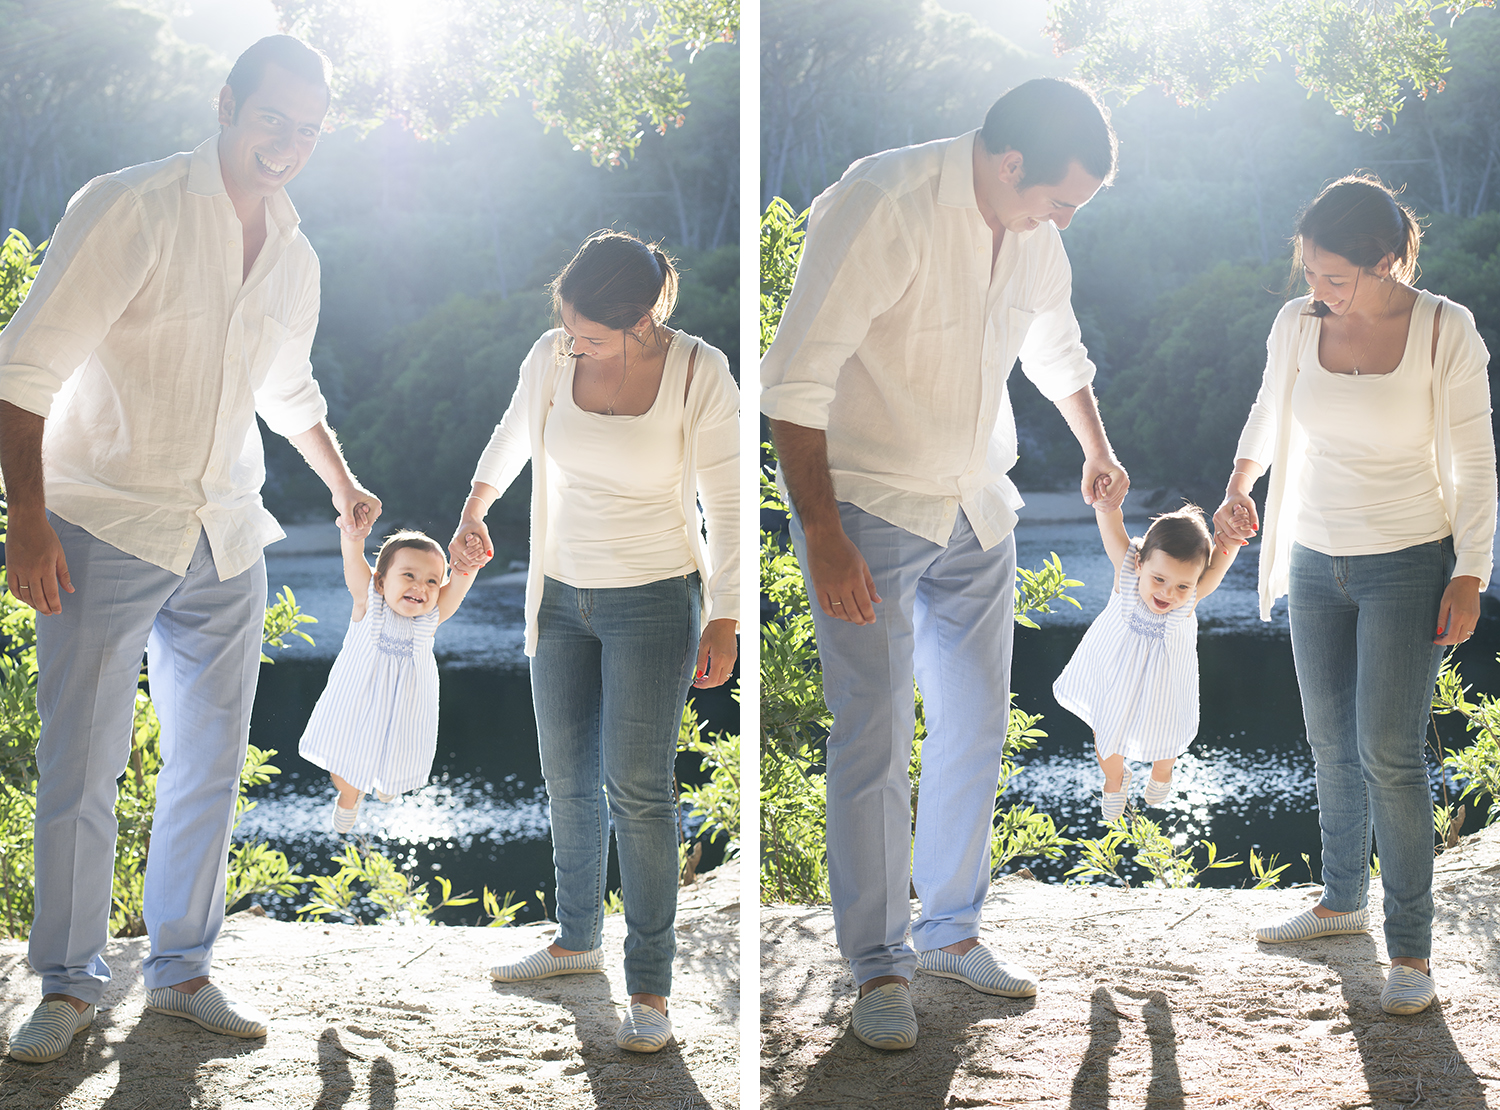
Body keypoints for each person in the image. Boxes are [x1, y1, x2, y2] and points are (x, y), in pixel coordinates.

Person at [0, 36, 381, 1063]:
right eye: (273, 121)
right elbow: (24, 369)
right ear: (227, 105)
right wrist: (25, 522)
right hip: (102, 524)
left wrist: (343, 487)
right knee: (85, 763)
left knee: (208, 765)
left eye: (307, 131)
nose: (287, 146)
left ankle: (182, 971)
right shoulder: (131, 206)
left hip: (226, 531)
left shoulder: (295, 251)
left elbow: (285, 389)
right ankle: (69, 985)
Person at [761, 77, 1129, 1051]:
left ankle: (951, 933)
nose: (1063, 220)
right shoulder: (884, 203)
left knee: (975, 723)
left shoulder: (1035, 231)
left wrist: (1095, 446)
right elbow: (793, 384)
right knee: (873, 742)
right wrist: (826, 534)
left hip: (980, 506)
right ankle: (878, 969)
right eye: (1060, 199)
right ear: (1011, 163)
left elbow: (1057, 348)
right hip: (870, 511)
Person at [448, 230, 738, 1053]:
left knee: (638, 789)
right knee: (566, 779)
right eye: (569, 329)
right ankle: (577, 943)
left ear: (642, 319)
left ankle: (650, 988)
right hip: (560, 597)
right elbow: (511, 433)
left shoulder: (698, 370)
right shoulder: (550, 355)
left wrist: (725, 613)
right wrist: (476, 508)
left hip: (654, 598)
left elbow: (726, 496)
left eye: (591, 335)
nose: (573, 344)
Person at [1213, 174, 1495, 1018]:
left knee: (1390, 752)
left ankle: (1411, 952)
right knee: (1330, 741)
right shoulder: (1298, 323)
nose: (1320, 293)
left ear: (1386, 261)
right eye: (1309, 274)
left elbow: (1478, 462)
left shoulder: (1447, 328)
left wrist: (1471, 572)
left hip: (1409, 560)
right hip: (1313, 556)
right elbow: (1270, 407)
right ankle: (1342, 904)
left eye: (1336, 277)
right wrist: (1240, 485)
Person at [1053, 501, 1242, 822]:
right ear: (1140, 564)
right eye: (1159, 579)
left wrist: (1233, 541)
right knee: (1106, 731)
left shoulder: (1190, 598)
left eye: (1182, 585)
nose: (1169, 593)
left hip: (1164, 688)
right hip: (1115, 677)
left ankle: (1163, 772)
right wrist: (1106, 500)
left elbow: (1219, 567)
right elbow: (1112, 527)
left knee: (1169, 735)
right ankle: (1115, 779)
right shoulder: (1127, 576)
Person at [299, 522, 488, 833]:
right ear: (381, 581)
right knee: (341, 765)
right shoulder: (369, 604)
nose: (420, 587)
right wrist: (352, 532)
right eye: (408, 575)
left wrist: (470, 558)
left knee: (401, 755)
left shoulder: (429, 619)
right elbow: (353, 560)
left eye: (431, 581)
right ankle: (349, 796)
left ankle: (387, 779)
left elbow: (460, 584)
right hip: (357, 705)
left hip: (405, 710)